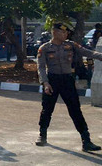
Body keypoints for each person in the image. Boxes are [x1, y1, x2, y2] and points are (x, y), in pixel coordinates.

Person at [35, 22, 102, 151]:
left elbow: (87, 52)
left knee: (75, 110)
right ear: (55, 32)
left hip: (67, 80)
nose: (66, 34)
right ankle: (42, 135)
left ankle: (86, 140)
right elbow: (41, 67)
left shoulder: (70, 45)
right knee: (47, 109)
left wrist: (100, 56)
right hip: (52, 80)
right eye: (63, 32)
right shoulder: (44, 48)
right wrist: (45, 83)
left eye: (66, 32)